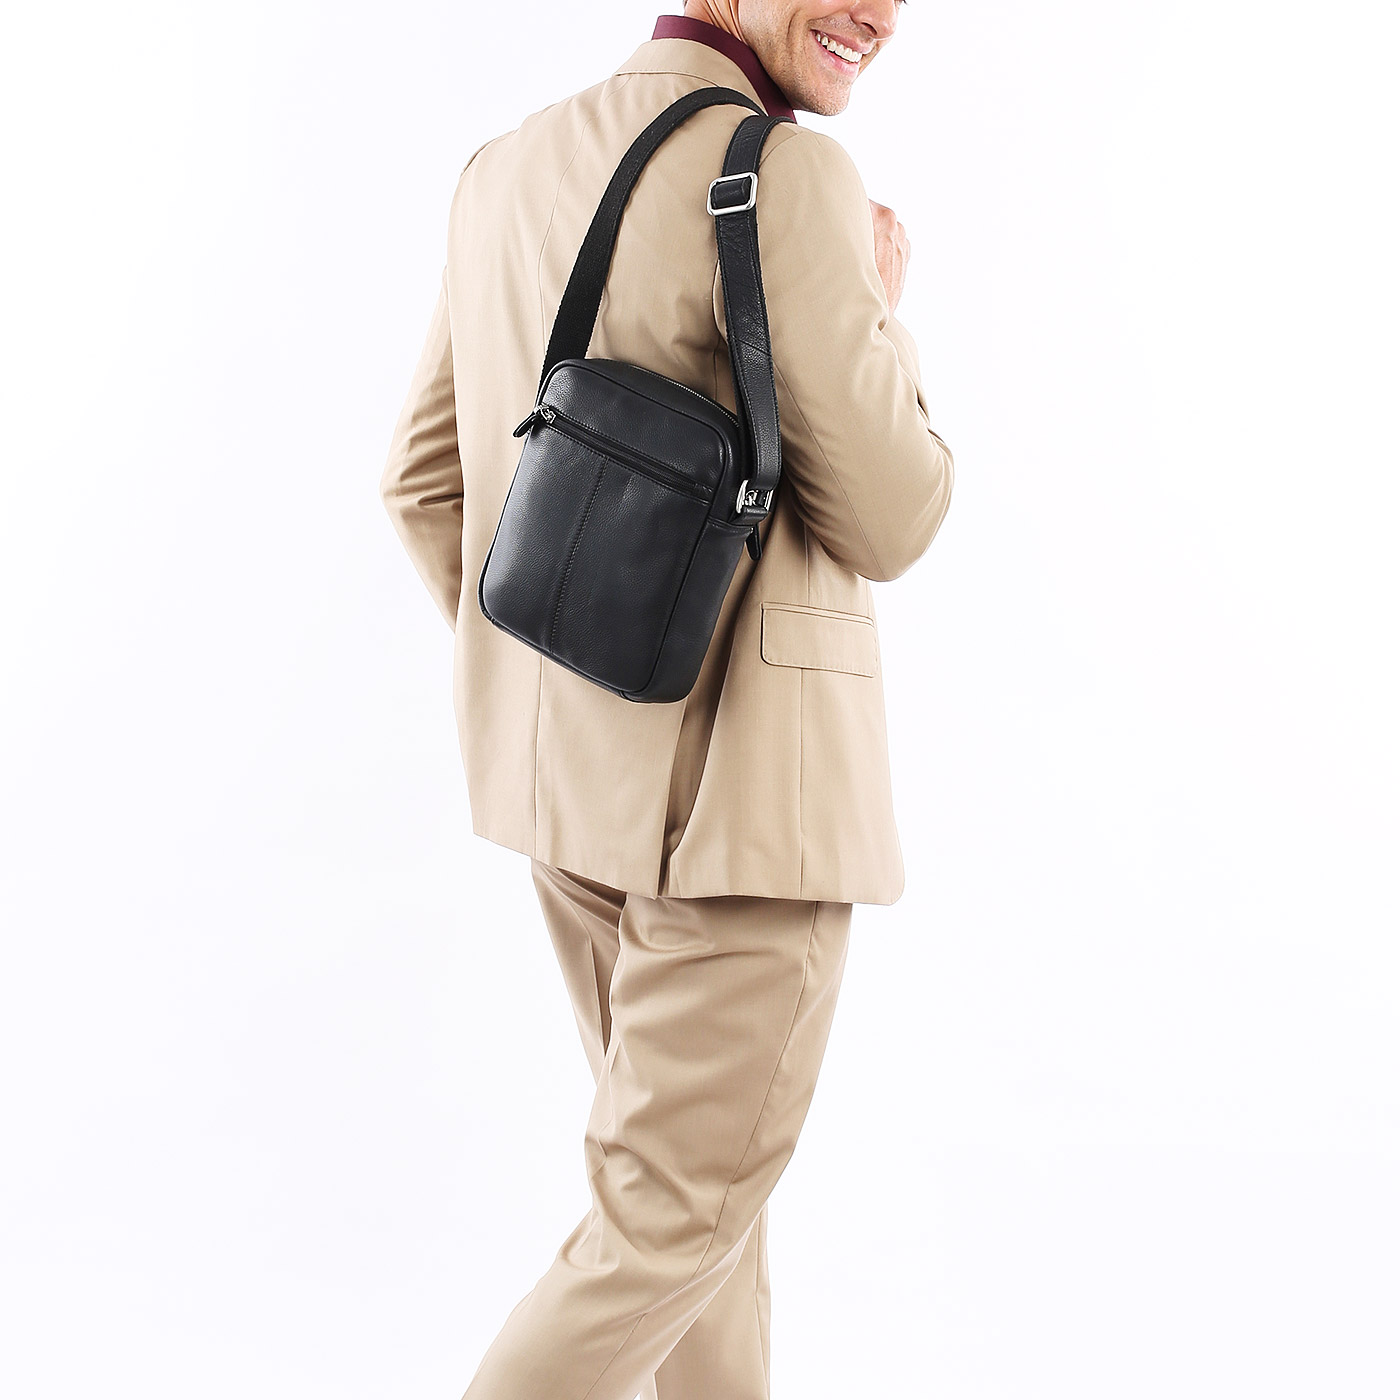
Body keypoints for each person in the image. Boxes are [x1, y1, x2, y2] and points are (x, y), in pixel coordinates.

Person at [379, 4, 953, 1396]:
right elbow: (897, 514)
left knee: (697, 1236)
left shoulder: (503, 169)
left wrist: (577, 698)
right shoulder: (786, 177)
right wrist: (881, 311)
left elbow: (423, 482)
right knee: (666, 1232)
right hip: (747, 831)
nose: (881, 12)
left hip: (572, 816)